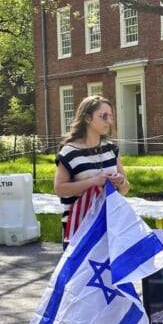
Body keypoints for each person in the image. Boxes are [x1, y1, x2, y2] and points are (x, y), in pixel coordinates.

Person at [53, 95, 130, 250]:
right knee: (80, 274)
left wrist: (120, 181)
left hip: (109, 225)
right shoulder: (69, 152)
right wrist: (92, 182)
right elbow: (59, 189)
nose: (109, 121)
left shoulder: (111, 149)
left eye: (111, 117)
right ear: (88, 118)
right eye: (104, 116)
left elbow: (125, 188)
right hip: (80, 226)